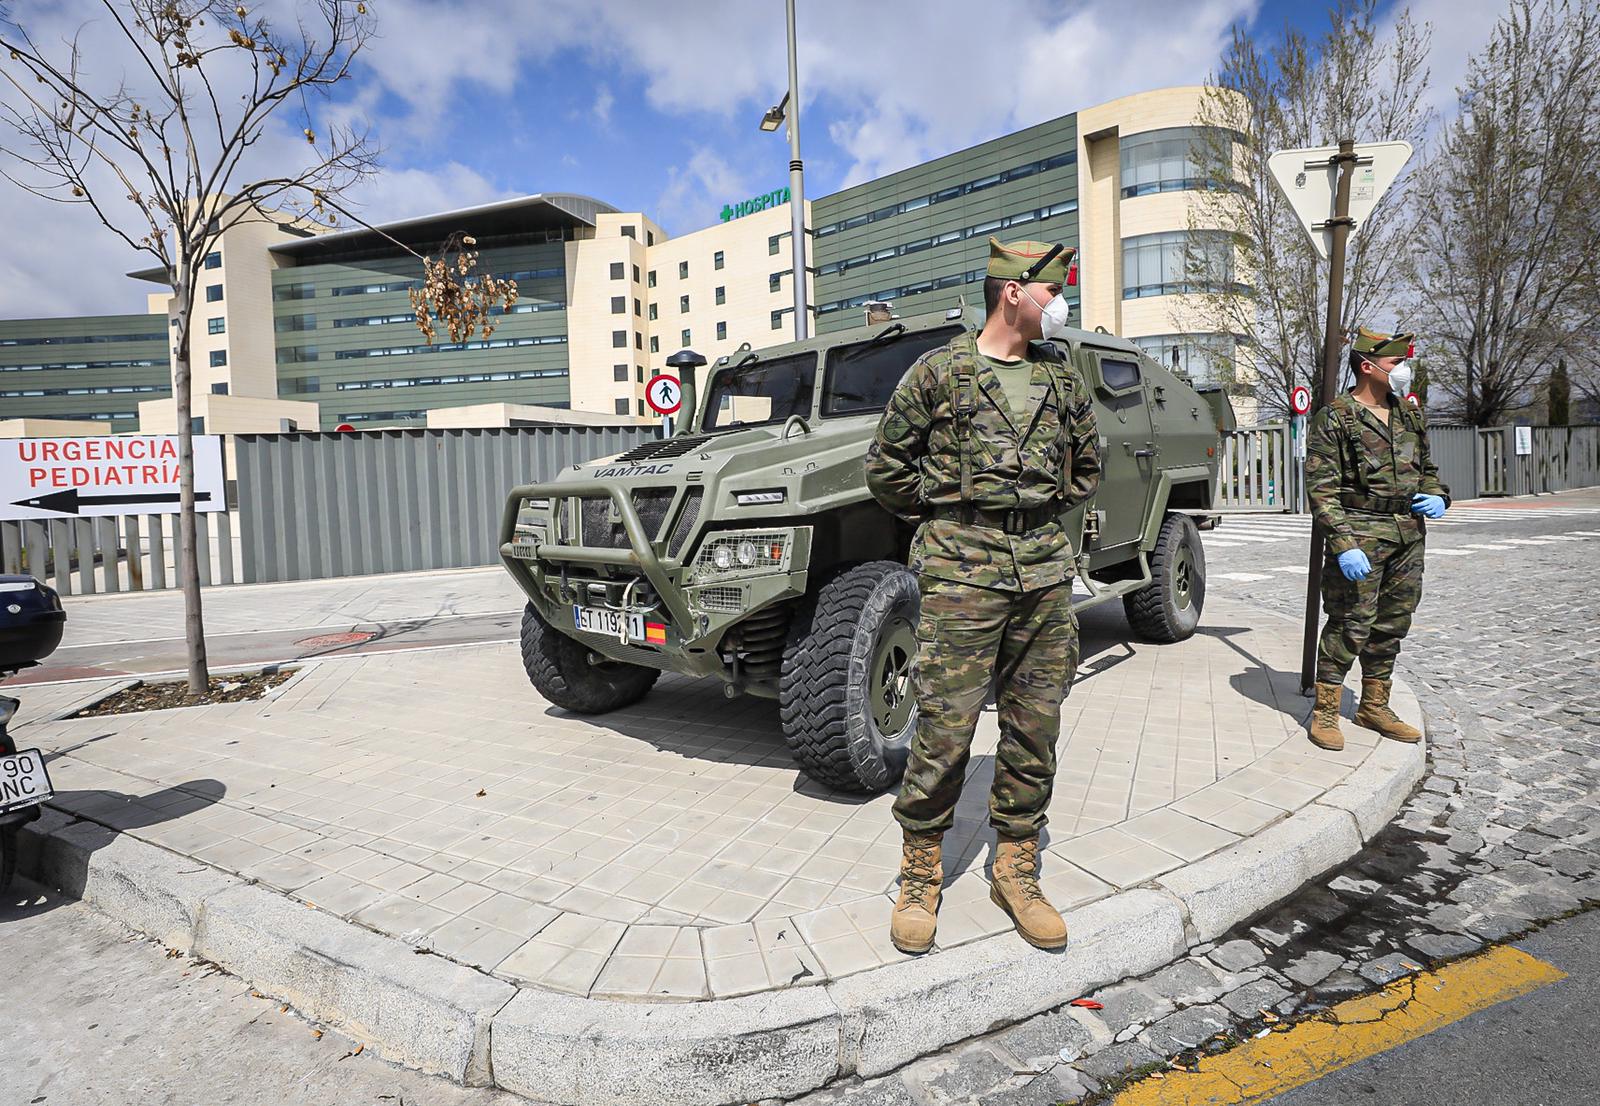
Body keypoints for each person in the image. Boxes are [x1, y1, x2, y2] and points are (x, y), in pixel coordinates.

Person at [864, 237, 1101, 954]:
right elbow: (886, 469)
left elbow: (1088, 465)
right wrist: (953, 517)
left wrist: (1029, 510)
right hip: (961, 572)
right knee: (945, 726)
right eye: (1051, 292)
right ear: (1013, 292)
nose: (1058, 305)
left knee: (1036, 725)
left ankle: (1016, 868)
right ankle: (920, 869)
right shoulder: (940, 374)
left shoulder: (1061, 379)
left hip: (1043, 570)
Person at [1304, 327, 1449, 751]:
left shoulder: (1409, 415)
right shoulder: (1337, 417)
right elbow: (1321, 489)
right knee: (1351, 623)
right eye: (1395, 363)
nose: (1403, 371)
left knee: (1392, 625)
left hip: (1407, 536)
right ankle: (1326, 710)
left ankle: (1373, 706)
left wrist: (1438, 496)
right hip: (1360, 534)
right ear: (1368, 367)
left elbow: (1427, 470)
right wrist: (1344, 543)